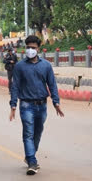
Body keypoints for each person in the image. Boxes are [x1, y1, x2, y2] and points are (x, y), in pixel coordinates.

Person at [9, 35, 64, 175]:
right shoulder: (19, 66)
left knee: (37, 133)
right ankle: (32, 162)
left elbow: (52, 85)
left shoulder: (46, 65)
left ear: (38, 49)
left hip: (42, 105)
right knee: (28, 133)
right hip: (26, 105)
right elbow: (15, 86)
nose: (30, 50)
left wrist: (56, 102)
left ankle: (29, 156)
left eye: (33, 47)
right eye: (28, 47)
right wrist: (13, 105)